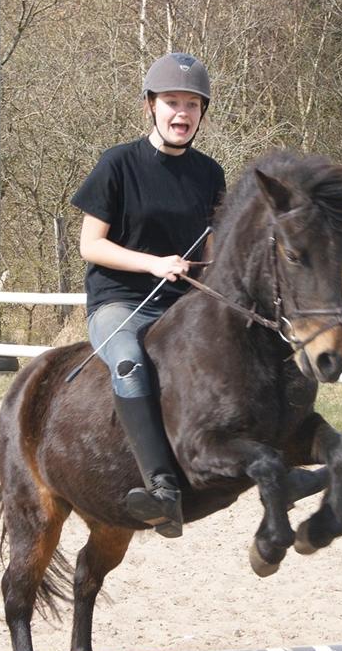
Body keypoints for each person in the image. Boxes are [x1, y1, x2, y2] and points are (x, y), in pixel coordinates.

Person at [71, 52, 226, 539]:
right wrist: (153, 263)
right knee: (130, 364)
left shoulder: (210, 174)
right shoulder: (118, 164)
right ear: (151, 107)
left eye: (192, 106)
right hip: (120, 301)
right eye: (172, 103)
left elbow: (212, 251)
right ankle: (162, 490)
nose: (182, 114)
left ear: (202, 113)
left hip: (183, 305)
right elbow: (89, 245)